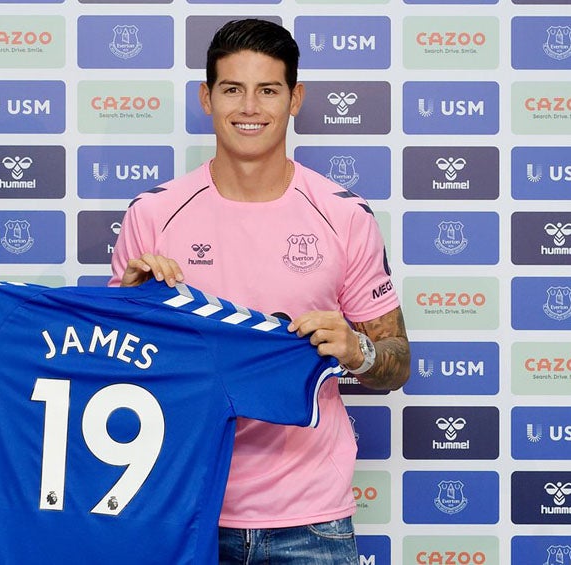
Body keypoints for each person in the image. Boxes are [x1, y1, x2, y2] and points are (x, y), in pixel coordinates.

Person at [109, 18, 410, 564]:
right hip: (182, 505)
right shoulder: (152, 214)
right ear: (207, 97)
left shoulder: (344, 215)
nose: (250, 107)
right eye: (232, 89)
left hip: (311, 521)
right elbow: (114, 371)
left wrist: (356, 349)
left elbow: (396, 362)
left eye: (268, 90)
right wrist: (131, 308)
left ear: (295, 99)